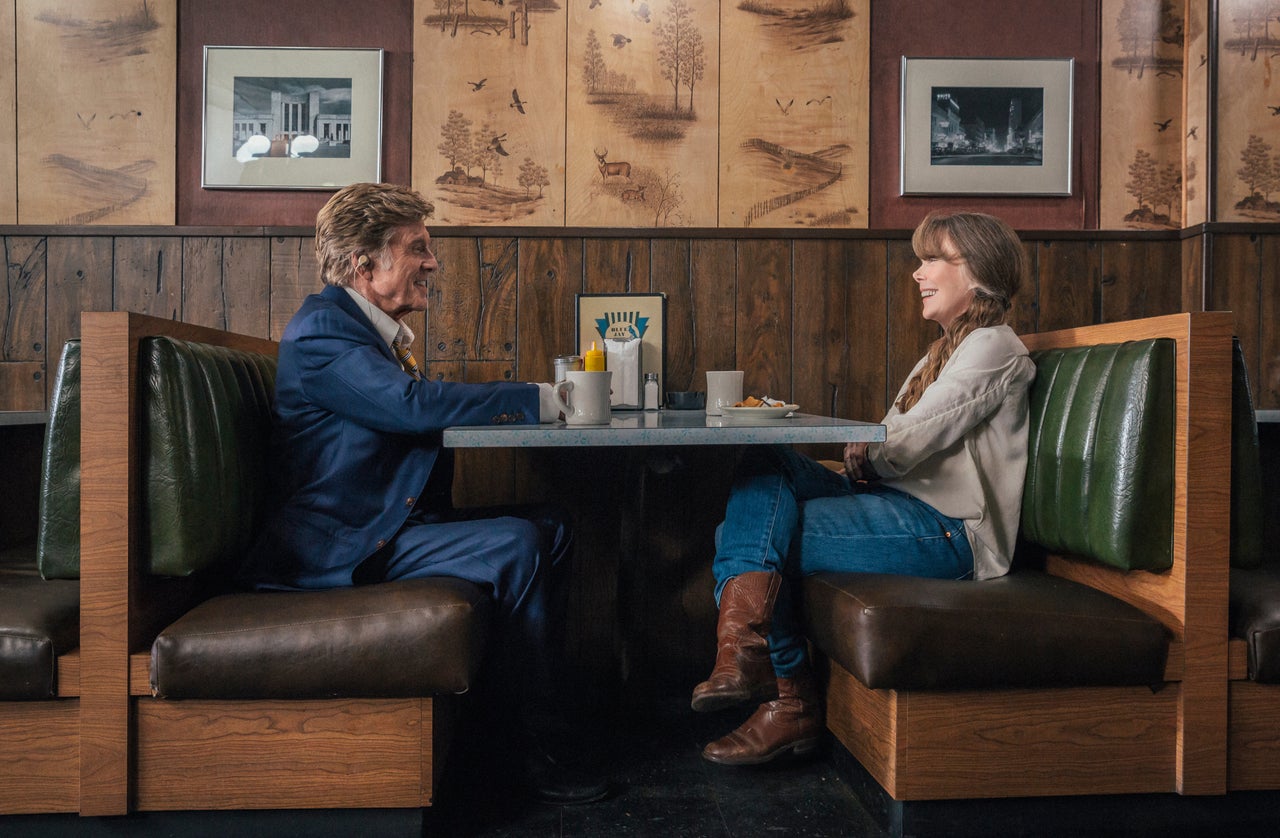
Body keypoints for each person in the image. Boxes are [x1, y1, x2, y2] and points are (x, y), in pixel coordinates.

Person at [239, 182, 607, 805]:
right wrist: (541, 399)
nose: (432, 264)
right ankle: (527, 753)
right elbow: (412, 408)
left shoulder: (359, 333)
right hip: (341, 545)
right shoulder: (322, 333)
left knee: (554, 524)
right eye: (417, 249)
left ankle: (520, 722)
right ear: (365, 264)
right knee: (519, 543)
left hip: (385, 524)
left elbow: (410, 411)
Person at [692, 210, 1037, 766]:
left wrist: (869, 455)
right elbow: (893, 440)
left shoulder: (993, 346)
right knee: (763, 462)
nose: (917, 273)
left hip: (952, 534)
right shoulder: (943, 350)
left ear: (976, 273)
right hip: (899, 504)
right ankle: (745, 649)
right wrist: (869, 456)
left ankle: (784, 695)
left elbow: (905, 441)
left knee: (752, 535)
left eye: (933, 260)